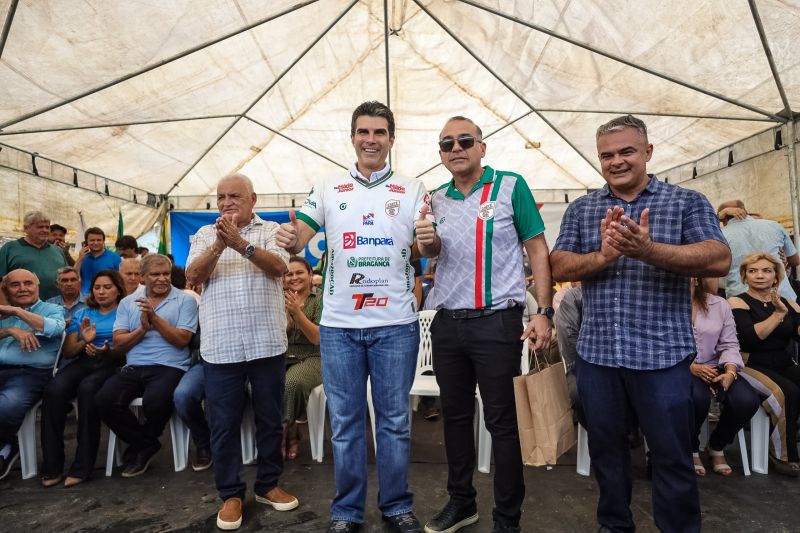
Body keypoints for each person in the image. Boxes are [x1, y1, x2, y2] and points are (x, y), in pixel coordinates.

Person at [550, 115, 730, 533]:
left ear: (648, 152)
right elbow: (559, 263)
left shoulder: (685, 202)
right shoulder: (583, 208)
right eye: (607, 155)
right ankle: (614, 526)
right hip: (598, 356)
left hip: (663, 357)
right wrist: (603, 257)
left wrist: (648, 249)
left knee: (670, 457)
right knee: (608, 457)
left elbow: (719, 258)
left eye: (627, 151)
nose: (617, 161)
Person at [276, 101, 427, 533]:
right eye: (363, 132)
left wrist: (430, 241)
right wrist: (290, 238)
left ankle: (396, 506)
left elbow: (428, 247)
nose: (371, 140)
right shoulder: (327, 187)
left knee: (395, 422)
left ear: (392, 140)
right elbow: (300, 233)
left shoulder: (414, 189)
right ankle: (346, 513)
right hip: (340, 327)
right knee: (345, 425)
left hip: (395, 325)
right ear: (353, 137)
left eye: (380, 132)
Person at [415, 116, 553, 533]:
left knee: (502, 422)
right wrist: (427, 244)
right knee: (454, 418)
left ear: (481, 147)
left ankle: (507, 518)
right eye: (446, 144)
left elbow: (537, 248)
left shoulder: (511, 185)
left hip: (497, 321)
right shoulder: (435, 199)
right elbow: (432, 251)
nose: (455, 148)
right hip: (448, 322)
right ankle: (462, 503)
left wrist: (543, 311)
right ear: (440, 155)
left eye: (464, 140)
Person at [186, 173, 297, 531]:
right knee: (223, 425)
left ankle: (267, 485)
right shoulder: (204, 235)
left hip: (266, 342)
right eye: (220, 197)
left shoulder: (272, 230)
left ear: (252, 199)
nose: (226, 202)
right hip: (221, 347)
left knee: (269, 418)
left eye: (234, 195)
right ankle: (231, 494)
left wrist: (240, 244)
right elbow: (193, 275)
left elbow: (279, 267)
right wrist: (221, 244)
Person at [95, 254, 198, 478]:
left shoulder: (185, 300)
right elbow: (119, 343)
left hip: (171, 365)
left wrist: (155, 319)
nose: (162, 279)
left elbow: (182, 340)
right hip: (135, 366)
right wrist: (142, 330)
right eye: (155, 274)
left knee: (156, 402)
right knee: (104, 400)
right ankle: (145, 444)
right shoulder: (128, 302)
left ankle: (141, 446)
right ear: (142, 277)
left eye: (166, 274)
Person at [40, 270, 127, 487]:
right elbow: (69, 351)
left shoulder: (125, 311)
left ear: (117, 289)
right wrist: (84, 341)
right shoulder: (83, 313)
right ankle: (52, 466)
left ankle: (82, 467)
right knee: (53, 391)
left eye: (107, 287)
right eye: (97, 287)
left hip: (114, 362)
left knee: (88, 391)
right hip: (85, 360)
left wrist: (107, 350)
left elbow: (128, 347)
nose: (101, 291)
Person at [729, 252, 800, 475]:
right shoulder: (737, 301)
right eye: (753, 271)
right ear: (744, 276)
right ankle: (782, 456)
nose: (759, 276)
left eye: (766, 271)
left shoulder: (789, 303)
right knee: (786, 392)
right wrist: (779, 313)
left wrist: (787, 311)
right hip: (750, 364)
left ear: (776, 277)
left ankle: (785, 436)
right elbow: (751, 337)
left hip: (782, 362)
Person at [689, 277, 760, 476]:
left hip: (717, 366)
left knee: (746, 401)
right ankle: (692, 447)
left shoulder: (718, 304)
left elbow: (729, 344)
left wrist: (729, 371)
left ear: (695, 278)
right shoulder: (663, 304)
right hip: (681, 368)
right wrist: (691, 367)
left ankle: (717, 445)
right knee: (697, 399)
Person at [0, 269, 66, 480]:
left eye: (28, 283)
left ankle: (7, 445)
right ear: (6, 289)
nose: (22, 288)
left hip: (31, 374)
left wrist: (18, 312)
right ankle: (7, 443)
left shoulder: (53, 309)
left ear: (37, 287)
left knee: (7, 405)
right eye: (15, 285)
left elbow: (54, 329)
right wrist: (10, 330)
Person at [282, 256, 322, 461]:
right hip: (281, 355)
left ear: (310, 275)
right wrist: (287, 321)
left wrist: (298, 314)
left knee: (293, 383)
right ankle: (292, 431)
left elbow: (316, 338)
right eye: (289, 274)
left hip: (313, 356)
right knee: (257, 384)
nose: (294, 277)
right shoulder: (276, 298)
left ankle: (286, 434)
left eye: (299, 272)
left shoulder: (321, 299)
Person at [718, 200, 798, 300]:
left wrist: (717, 217)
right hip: (782, 295)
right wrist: (783, 263)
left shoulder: (720, 235)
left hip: (742, 301)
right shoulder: (773, 225)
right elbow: (795, 260)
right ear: (745, 211)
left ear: (723, 219)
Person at [0, 211, 67, 302]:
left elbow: (67, 277)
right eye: (40, 227)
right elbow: (1, 282)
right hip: (20, 308)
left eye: (47, 227)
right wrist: (5, 306)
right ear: (26, 228)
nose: (45, 230)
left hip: (55, 307)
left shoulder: (57, 250)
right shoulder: (10, 248)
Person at [75, 227, 121, 295]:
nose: (96, 243)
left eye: (99, 240)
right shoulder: (83, 257)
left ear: (103, 241)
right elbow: (73, 276)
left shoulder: (114, 258)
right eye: (92, 240)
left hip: (105, 296)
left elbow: (121, 280)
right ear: (86, 242)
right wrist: (79, 259)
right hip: (84, 298)